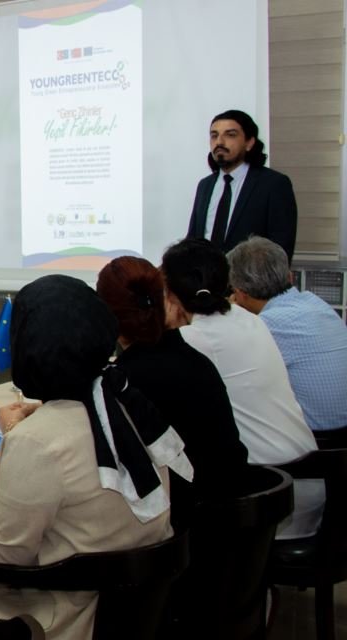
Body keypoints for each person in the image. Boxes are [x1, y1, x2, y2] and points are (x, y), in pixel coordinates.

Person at [0, 275, 190, 640]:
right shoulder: (127, 405)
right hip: (134, 611)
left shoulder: (37, 441)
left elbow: (6, 556)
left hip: (67, 616)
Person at [161, 238, 321, 539]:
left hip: (264, 499)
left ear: (170, 293)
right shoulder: (253, 321)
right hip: (307, 482)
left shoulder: (194, 340)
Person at [96, 256, 249, 525]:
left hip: (180, 535)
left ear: (107, 316)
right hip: (231, 527)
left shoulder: (123, 383)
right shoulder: (199, 363)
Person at [228, 236, 347, 431]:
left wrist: (232, 315)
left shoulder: (265, 325)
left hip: (314, 442)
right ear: (290, 277)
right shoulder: (316, 302)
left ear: (240, 294)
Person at [186, 109, 297, 260]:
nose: (219, 142)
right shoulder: (205, 185)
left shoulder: (273, 184)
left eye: (230, 135)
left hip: (251, 281)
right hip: (204, 281)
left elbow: (280, 248)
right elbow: (193, 240)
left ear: (249, 142)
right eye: (214, 135)